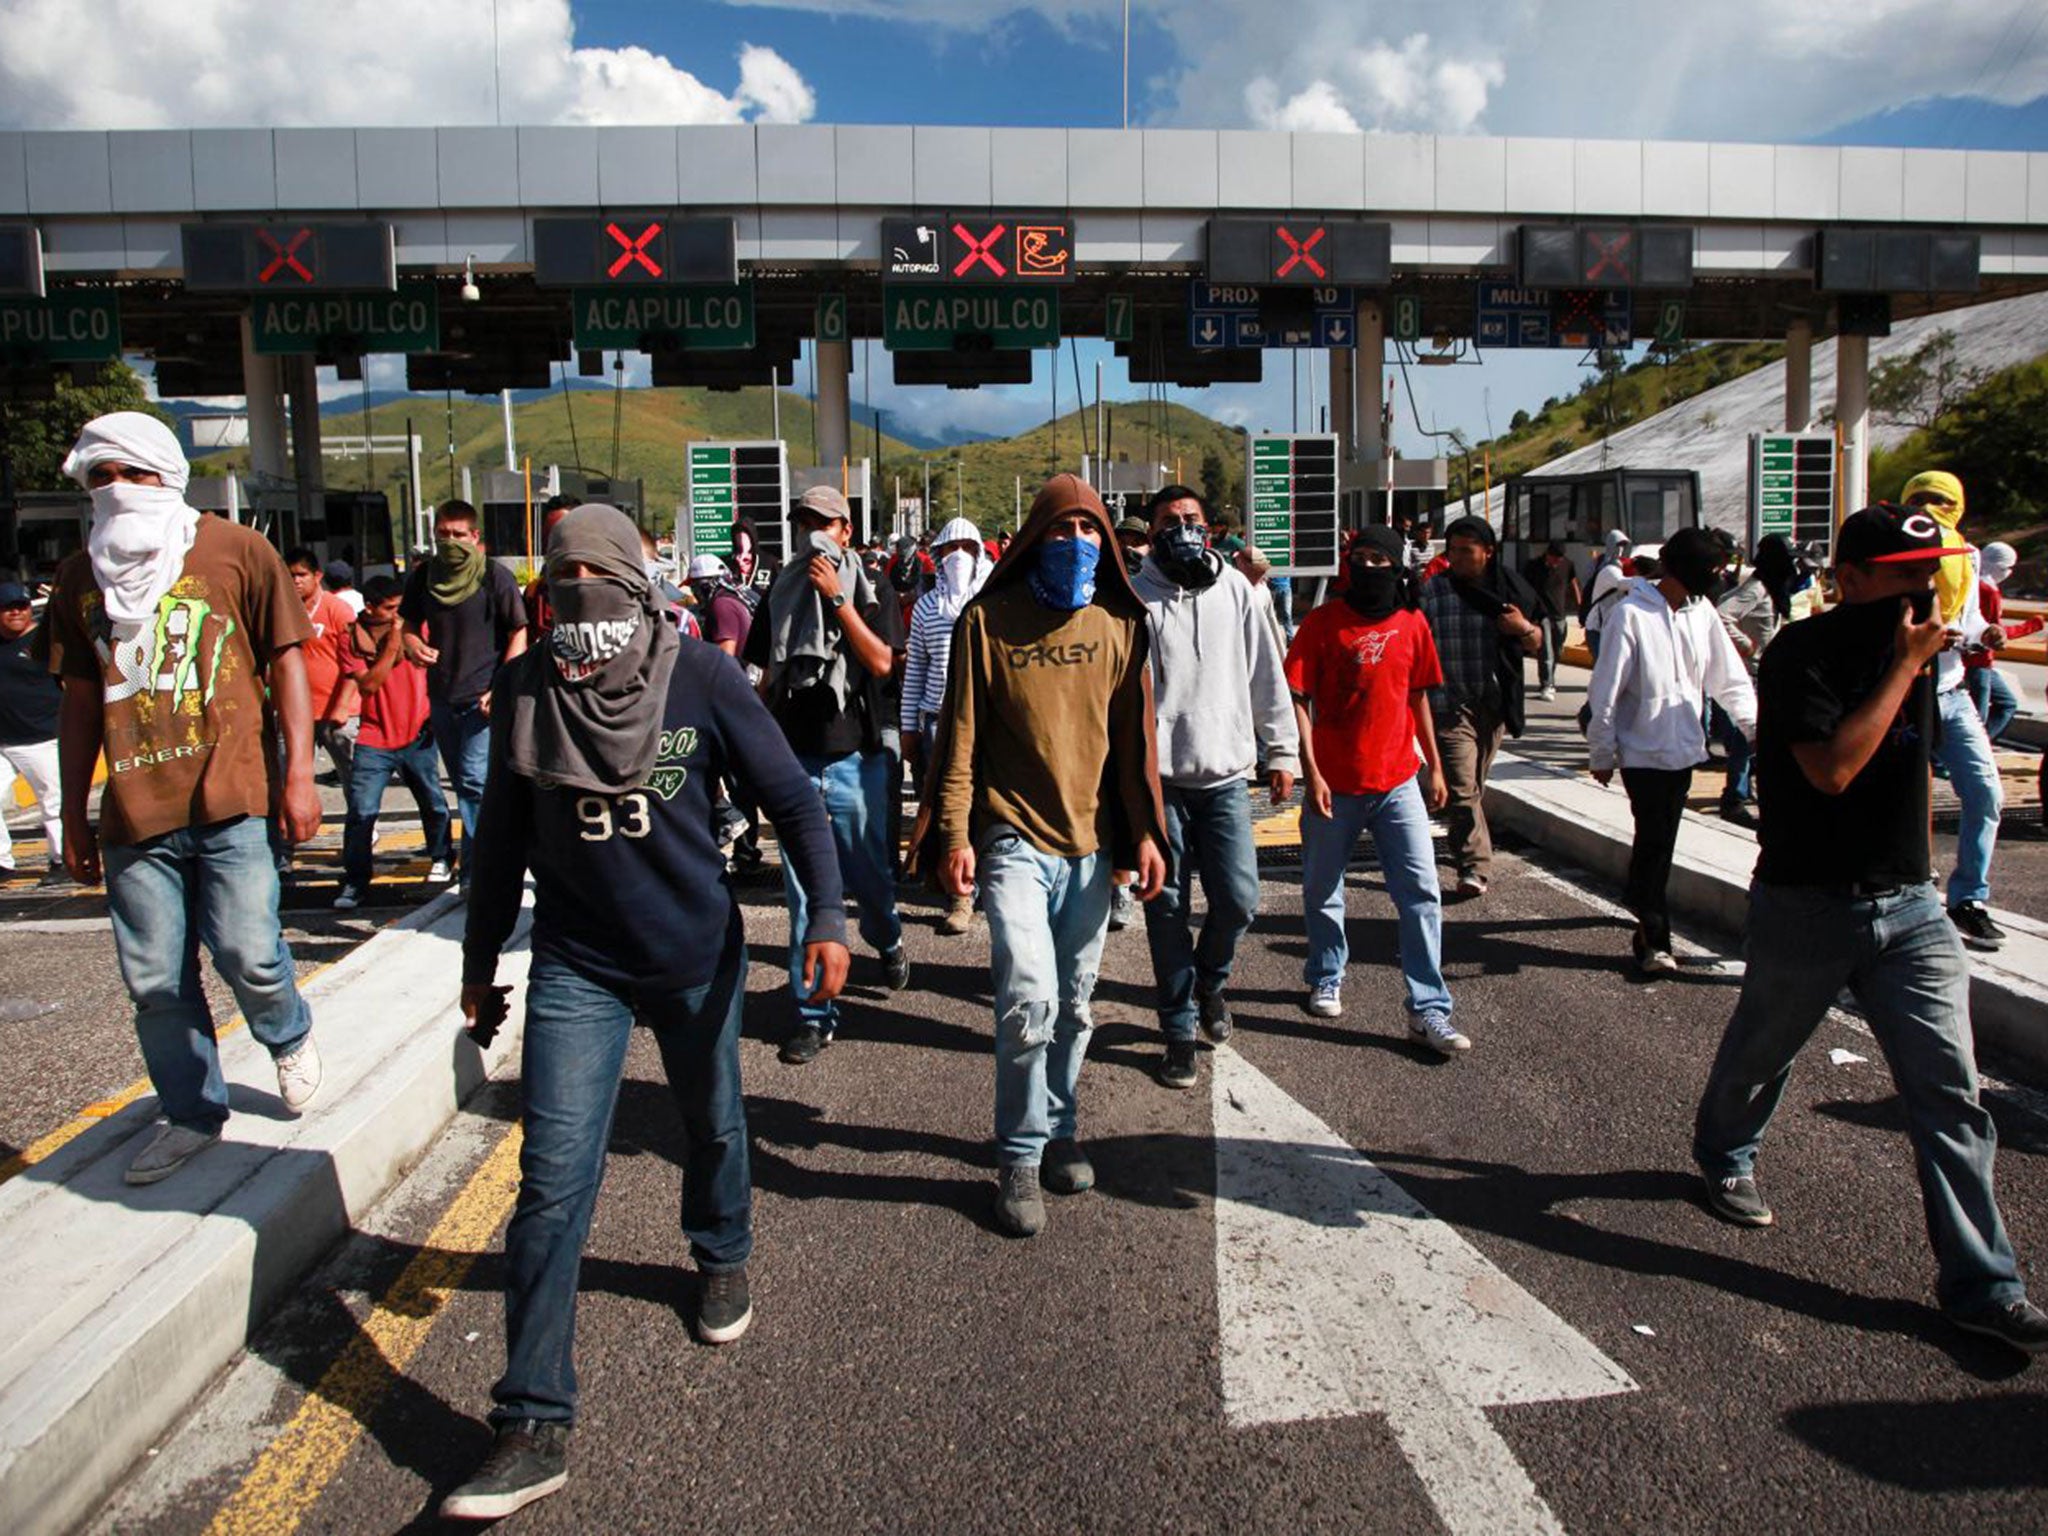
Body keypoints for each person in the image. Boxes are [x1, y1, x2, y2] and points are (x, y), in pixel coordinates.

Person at [444, 506, 851, 1520]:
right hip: (576, 968)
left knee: (711, 1122)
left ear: (633, 579)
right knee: (550, 1178)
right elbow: (498, 839)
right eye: (559, 573)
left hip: (690, 956)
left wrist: (829, 916)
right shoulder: (529, 691)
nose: (576, 590)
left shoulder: (699, 678)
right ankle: (531, 1419)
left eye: (595, 571)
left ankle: (721, 1252)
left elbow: (792, 801)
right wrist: (480, 956)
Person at [1692, 503, 2048, 1357]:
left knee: (1948, 1094)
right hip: (1807, 904)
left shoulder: (1919, 651)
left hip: (1910, 910)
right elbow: (1836, 767)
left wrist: (1922, 873)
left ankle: (1983, 1284)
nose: (1922, 590)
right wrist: (1904, 667)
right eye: (1901, 575)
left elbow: (1910, 771)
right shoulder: (1801, 656)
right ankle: (1725, 1152)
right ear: (1849, 580)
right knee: (1763, 1050)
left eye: (1929, 576)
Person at [44, 412, 323, 1185]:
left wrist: (298, 775)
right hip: (134, 815)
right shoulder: (78, 578)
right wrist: (71, 813)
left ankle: (287, 1032)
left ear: (167, 474)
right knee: (156, 983)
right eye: (101, 477)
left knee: (248, 952)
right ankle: (193, 1113)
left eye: (133, 473)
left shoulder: (237, 550)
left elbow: (287, 663)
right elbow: (77, 700)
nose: (118, 490)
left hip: (232, 798)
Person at [931, 474, 1168, 1237]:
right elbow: (959, 736)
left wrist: (1145, 836)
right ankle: (1021, 1153)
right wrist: (953, 833)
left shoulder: (1119, 626)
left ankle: (1062, 1128)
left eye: (1090, 532)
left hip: (1092, 848)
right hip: (1012, 839)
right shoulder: (986, 622)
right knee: (1028, 995)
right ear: (1035, 538)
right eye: (1061, 532)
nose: (1077, 545)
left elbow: (1134, 747)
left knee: (1073, 1002)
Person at [1132, 486, 1298, 1088]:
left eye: (1192, 519)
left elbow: (1265, 673)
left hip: (1226, 776)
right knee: (1166, 905)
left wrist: (1282, 751)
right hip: (1163, 782)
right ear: (1151, 532)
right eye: (1170, 521)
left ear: (1211, 526)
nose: (1182, 529)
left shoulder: (1238, 590)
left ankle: (1210, 982)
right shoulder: (1134, 598)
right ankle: (1178, 1029)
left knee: (1238, 901)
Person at [742, 485, 907, 1064]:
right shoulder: (780, 589)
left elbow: (882, 661)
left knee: (870, 882)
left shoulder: (872, 586)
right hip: (794, 760)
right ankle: (814, 1012)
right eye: (801, 522)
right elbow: (763, 672)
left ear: (844, 531)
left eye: (822, 523)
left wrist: (837, 599)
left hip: (854, 760)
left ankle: (886, 939)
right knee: (806, 894)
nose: (810, 533)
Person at [1287, 527, 1462, 1050]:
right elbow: (1298, 696)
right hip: (1333, 785)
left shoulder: (1411, 623)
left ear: (1396, 566)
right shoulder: (1321, 623)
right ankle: (1324, 973)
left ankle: (1428, 1008)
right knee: (1323, 889)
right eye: (1358, 557)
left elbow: (1419, 696)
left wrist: (1433, 764)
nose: (1366, 567)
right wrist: (1310, 769)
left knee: (1421, 895)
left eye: (1377, 559)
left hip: (1397, 782)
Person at [1585, 526, 1756, 975]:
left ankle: (1640, 901)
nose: (1717, 580)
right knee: (1656, 841)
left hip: (1684, 749)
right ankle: (1654, 939)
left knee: (1658, 841)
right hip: (1642, 753)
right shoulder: (1630, 615)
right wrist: (1602, 752)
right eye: (1712, 571)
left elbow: (1727, 677)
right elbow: (1605, 690)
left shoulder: (1702, 614)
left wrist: (1753, 726)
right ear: (1683, 569)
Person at [1899, 471, 2007, 952]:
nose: (1930, 508)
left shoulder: (1966, 555)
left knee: (1985, 791)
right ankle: (1913, 889)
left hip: (1951, 690)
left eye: (1941, 501)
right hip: (1903, 692)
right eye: (1919, 500)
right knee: (1905, 797)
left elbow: (1971, 619)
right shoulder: (1897, 552)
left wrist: (1986, 635)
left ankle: (1968, 899)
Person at [400, 500, 528, 894]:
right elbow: (406, 624)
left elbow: (518, 631)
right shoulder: (424, 579)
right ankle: (489, 859)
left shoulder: (495, 577)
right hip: (442, 695)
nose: (451, 542)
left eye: (459, 535)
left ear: (475, 538)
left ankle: (480, 874)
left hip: (482, 698)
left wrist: (500, 686)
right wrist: (412, 644)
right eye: (443, 535)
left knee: (473, 783)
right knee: (465, 785)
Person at [1418, 516, 1544, 900]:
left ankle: (1465, 845)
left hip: (1493, 705)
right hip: (1449, 705)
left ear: (1487, 553)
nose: (1455, 558)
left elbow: (1537, 642)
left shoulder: (1509, 590)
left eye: (1465, 551)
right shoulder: (1434, 592)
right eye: (1451, 550)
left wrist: (1521, 627)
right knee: (1461, 786)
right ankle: (1474, 865)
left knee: (1473, 784)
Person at [334, 575, 454, 909]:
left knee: (432, 800)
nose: (398, 615)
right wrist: (390, 645)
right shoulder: (352, 639)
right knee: (361, 810)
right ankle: (356, 881)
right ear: (370, 608)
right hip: (375, 736)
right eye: (390, 609)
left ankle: (442, 856)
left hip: (418, 732)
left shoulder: (418, 628)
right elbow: (368, 686)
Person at [901, 517, 993, 937]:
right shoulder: (926, 606)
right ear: (938, 555)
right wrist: (908, 728)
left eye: (967, 547)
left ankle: (992, 885)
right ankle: (960, 896)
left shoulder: (993, 600)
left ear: (978, 552)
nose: (959, 556)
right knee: (944, 809)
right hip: (938, 721)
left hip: (987, 720)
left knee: (986, 807)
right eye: (950, 548)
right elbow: (915, 669)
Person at [1712, 534, 1801, 827]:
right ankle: (1734, 798)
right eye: (1789, 561)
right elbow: (1721, 614)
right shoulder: (1756, 590)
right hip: (1751, 674)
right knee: (1746, 736)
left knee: (1756, 735)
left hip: (1767, 672)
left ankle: (1743, 791)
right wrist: (1744, 643)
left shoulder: (1772, 589)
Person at [0, 579, 66, 884]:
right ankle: (2, 863)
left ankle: (62, 861)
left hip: (44, 738)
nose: (15, 613)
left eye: (21, 606)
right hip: (4, 741)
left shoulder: (46, 638)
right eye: (7, 608)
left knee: (54, 804)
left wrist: (63, 602)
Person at [286, 546, 360, 788]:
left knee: (353, 778)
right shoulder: (284, 610)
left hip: (338, 712)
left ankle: (365, 826)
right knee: (293, 779)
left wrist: (342, 706)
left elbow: (353, 662)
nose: (296, 581)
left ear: (317, 576)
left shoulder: (337, 609)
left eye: (301, 575)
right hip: (298, 711)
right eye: (291, 575)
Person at [1966, 542, 2038, 746]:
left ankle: (1978, 747)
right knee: (1977, 717)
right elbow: (1994, 633)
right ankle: (1967, 752)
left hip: (1980, 662)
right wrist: (2031, 626)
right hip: (1977, 663)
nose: (2008, 573)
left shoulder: (1977, 585)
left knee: (2005, 703)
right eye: (2007, 568)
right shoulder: (1987, 591)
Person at [1522, 541, 1580, 702]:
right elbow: (1525, 589)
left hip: (1560, 615)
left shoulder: (1567, 565)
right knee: (1546, 651)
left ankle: (1550, 678)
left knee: (1558, 650)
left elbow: (1573, 583)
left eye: (1560, 560)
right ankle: (1547, 684)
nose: (1557, 563)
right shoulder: (1533, 566)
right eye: (1555, 559)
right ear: (1548, 554)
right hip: (1542, 615)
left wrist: (1579, 604)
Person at [522, 495, 578, 639]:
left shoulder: (604, 589)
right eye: (548, 536)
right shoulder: (533, 593)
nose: (552, 544)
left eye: (560, 535)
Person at [687, 554, 754, 659]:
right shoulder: (732, 598)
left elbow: (725, 658)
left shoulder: (722, 605)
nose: (694, 593)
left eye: (693, 586)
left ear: (704, 586)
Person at [1583, 529, 1633, 661]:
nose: (1621, 549)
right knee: (1603, 668)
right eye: (1618, 545)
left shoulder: (1620, 569)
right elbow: (1625, 584)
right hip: (1597, 629)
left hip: (1608, 627)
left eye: (1623, 546)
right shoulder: (1608, 570)